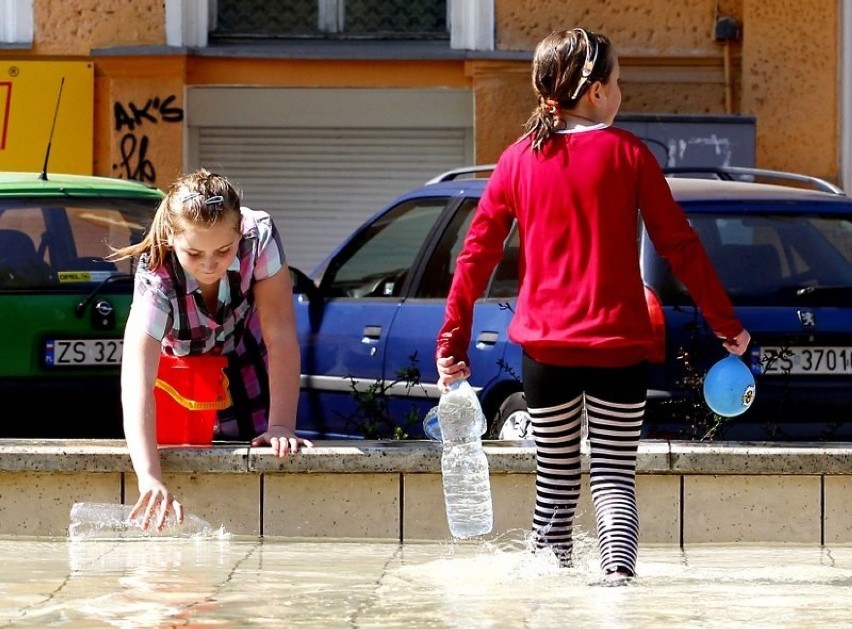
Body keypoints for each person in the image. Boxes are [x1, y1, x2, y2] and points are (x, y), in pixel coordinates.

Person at [435, 28, 750, 584]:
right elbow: (679, 244)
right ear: (597, 91)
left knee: (554, 482)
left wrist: (452, 342)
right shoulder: (629, 155)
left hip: (546, 351)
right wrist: (727, 325)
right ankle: (618, 593)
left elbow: (475, 255)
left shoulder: (515, 161)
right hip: (618, 349)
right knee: (613, 480)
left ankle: (548, 604)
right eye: (619, 82)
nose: (622, 92)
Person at [110, 168, 313, 531]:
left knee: (254, 455)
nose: (209, 265)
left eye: (223, 250)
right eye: (193, 253)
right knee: (183, 456)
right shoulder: (156, 274)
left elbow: (280, 335)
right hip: (178, 372)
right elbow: (137, 381)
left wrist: (282, 425)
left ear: (240, 234)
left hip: (243, 352)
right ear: (173, 240)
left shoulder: (259, 235)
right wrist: (149, 477)